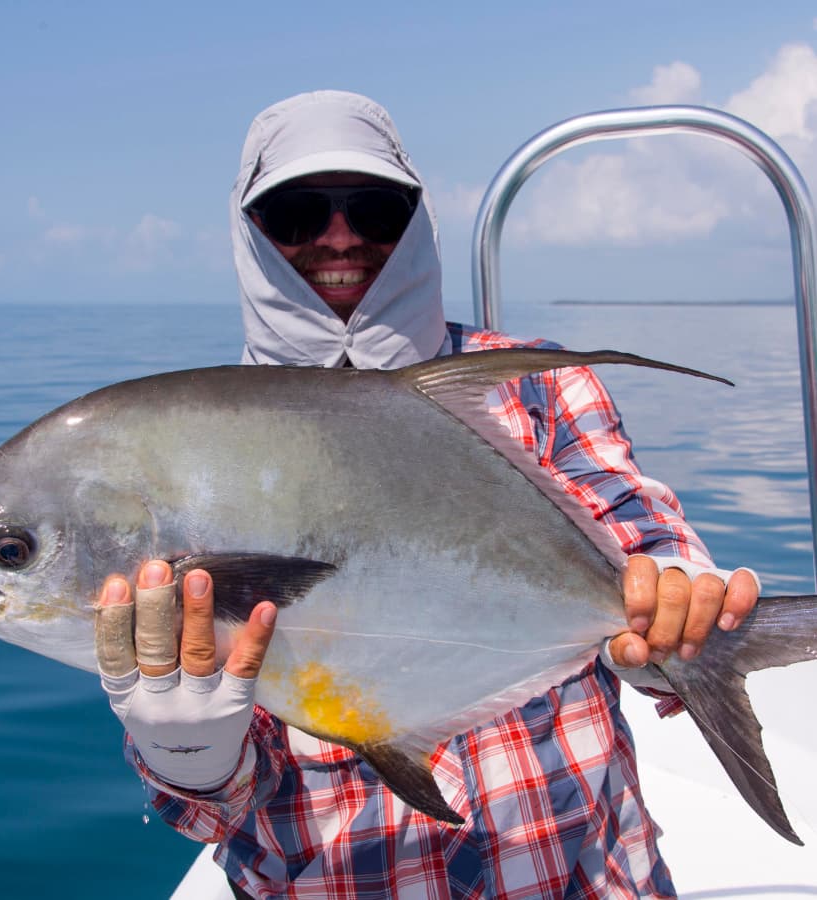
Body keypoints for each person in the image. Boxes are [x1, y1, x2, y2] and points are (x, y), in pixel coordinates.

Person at [95, 91, 759, 898]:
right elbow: (219, 811)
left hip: (588, 872)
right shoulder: (193, 446)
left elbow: (633, 519)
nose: (340, 238)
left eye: (375, 208)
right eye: (298, 213)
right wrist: (187, 753)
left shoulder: (535, 384)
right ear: (251, 232)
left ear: (417, 221)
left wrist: (676, 597)